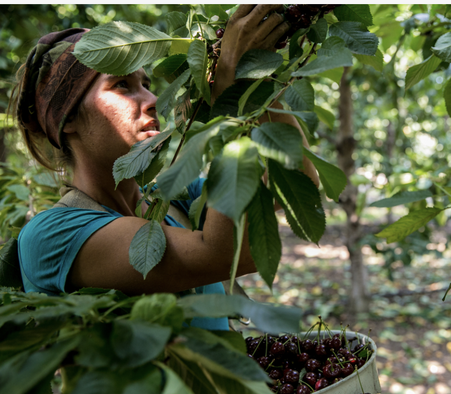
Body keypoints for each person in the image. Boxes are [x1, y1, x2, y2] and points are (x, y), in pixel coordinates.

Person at [12, 5, 319, 330]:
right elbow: (229, 254)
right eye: (121, 85)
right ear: (69, 119)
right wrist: (233, 91)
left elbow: (295, 188)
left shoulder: (175, 197)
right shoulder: (52, 236)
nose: (153, 97)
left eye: (145, 83)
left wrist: (256, 80)